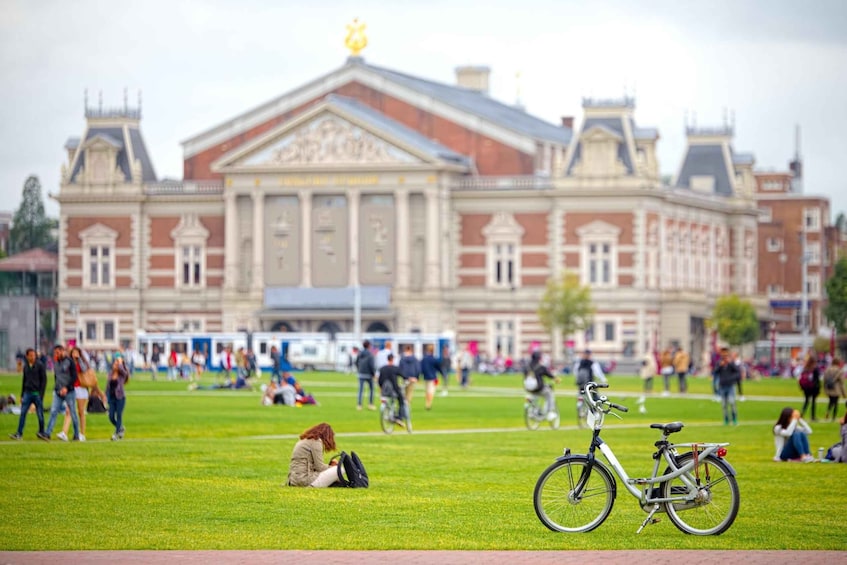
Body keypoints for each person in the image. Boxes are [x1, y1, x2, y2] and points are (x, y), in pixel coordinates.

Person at [43, 345, 81, 441]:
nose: (56, 354)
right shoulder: (56, 363)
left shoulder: (69, 362)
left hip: (69, 392)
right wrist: (57, 388)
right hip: (58, 391)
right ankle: (47, 433)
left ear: (63, 351)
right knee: (53, 411)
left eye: (58, 352)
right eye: (55, 353)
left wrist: (67, 388)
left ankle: (76, 434)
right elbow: (57, 377)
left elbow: (74, 377)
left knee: (73, 413)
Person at [9, 348, 48, 441]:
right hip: (27, 393)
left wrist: (41, 394)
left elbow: (44, 380)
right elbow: (24, 380)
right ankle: (19, 433)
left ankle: (41, 432)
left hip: (37, 393)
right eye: (30, 355)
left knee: (40, 414)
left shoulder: (40, 365)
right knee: (23, 413)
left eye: (34, 355)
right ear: (27, 356)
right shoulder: (26, 367)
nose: (32, 357)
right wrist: (22, 394)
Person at [286, 422, 340, 487]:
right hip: (303, 479)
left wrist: (329, 466)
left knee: (333, 474)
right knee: (337, 472)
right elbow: (320, 467)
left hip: (293, 480)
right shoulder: (316, 442)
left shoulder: (305, 440)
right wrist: (334, 468)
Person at [59, 346, 91, 442]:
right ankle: (64, 432)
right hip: (72, 389)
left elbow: (84, 369)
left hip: (81, 388)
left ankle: (82, 433)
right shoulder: (68, 362)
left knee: (81, 412)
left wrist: (79, 359)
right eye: (73, 353)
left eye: (77, 353)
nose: (75, 354)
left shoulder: (82, 362)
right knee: (69, 411)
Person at [523, 350, 560, 420]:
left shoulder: (527, 367)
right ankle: (549, 412)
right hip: (539, 388)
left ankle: (533, 411)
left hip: (529, 388)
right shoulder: (540, 367)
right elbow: (549, 375)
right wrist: (556, 379)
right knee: (549, 394)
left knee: (534, 396)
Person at [378, 353, 408, 427]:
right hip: (394, 389)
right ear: (393, 359)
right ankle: (399, 418)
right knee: (401, 401)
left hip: (384, 390)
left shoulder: (382, 368)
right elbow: (404, 376)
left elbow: (379, 380)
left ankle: (389, 413)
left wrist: (381, 388)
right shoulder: (395, 368)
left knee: (388, 400)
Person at [713, 347, 741, 426]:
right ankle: (726, 419)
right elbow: (715, 372)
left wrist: (731, 379)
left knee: (732, 402)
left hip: (730, 386)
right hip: (722, 386)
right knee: (724, 405)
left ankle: (734, 418)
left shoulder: (731, 363)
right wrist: (720, 366)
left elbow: (737, 372)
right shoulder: (719, 363)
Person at [106, 352, 130, 441]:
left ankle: (116, 434)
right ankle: (120, 428)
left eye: (117, 364)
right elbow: (107, 386)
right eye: (114, 363)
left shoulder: (122, 375)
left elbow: (124, 371)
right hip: (111, 398)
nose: (115, 365)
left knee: (119, 415)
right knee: (111, 416)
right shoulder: (110, 374)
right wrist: (105, 396)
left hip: (120, 398)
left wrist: (120, 363)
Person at [422, 344, 447, 410]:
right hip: (433, 377)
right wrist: (442, 374)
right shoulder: (434, 359)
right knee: (431, 391)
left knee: (427, 391)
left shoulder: (424, 359)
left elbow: (422, 368)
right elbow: (439, 368)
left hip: (426, 377)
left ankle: (427, 402)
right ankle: (428, 404)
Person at [798, 354, 821, 421]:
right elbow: (817, 380)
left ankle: (802, 414)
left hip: (806, 388)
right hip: (813, 388)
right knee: (813, 402)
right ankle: (812, 416)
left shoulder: (805, 368)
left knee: (806, 401)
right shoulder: (814, 369)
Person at [355, 340, 377, 411]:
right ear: (369, 346)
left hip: (361, 373)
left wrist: (359, 370)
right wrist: (374, 374)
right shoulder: (370, 354)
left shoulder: (360, 353)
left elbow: (356, 362)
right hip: (369, 374)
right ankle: (370, 404)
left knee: (360, 390)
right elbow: (372, 365)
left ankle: (359, 405)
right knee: (371, 390)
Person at [822, 357, 845, 422]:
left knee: (830, 402)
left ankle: (828, 412)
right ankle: (833, 417)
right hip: (836, 389)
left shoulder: (828, 369)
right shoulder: (839, 370)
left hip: (829, 389)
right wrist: (844, 393)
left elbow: (825, 379)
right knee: (835, 403)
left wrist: (825, 388)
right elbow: (842, 382)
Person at [637, 350, 657, 414]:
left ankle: (646, 390)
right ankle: (648, 390)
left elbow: (644, 363)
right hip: (650, 371)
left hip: (647, 371)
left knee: (646, 381)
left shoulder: (647, 357)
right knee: (649, 381)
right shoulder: (652, 358)